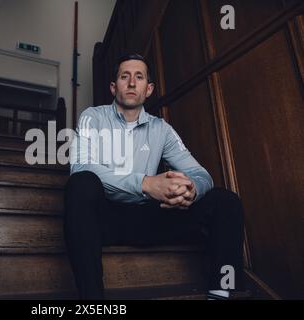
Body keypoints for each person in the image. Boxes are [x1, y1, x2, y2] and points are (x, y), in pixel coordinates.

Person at [64, 53, 245, 300]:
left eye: (138, 77)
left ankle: (222, 292)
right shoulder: (92, 117)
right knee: (81, 183)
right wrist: (145, 183)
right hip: (104, 218)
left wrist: (191, 190)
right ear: (113, 86)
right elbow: (81, 167)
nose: (131, 83)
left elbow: (201, 174)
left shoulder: (162, 129)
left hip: (147, 218)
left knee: (225, 201)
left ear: (148, 89)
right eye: (124, 76)